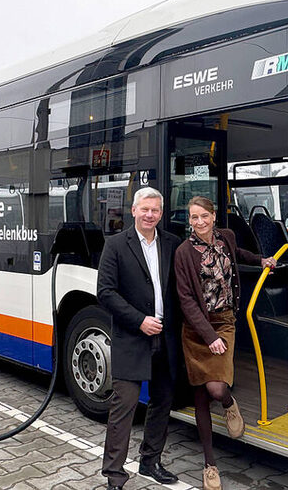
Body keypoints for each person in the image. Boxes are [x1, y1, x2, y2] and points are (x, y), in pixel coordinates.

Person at [174, 196, 276, 490]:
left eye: (204, 216)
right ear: (190, 221)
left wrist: (261, 260)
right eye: (194, 218)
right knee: (201, 396)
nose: (199, 222)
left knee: (217, 388)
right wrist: (208, 337)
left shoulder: (227, 238)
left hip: (225, 321)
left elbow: (239, 254)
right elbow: (186, 300)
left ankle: (230, 404)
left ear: (213, 216)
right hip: (197, 330)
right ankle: (210, 465)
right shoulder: (184, 252)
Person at [97, 187, 182, 490]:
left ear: (161, 213)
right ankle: (114, 475)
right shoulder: (116, 245)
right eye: (144, 209)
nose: (150, 215)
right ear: (133, 210)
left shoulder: (172, 243)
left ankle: (150, 461)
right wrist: (139, 321)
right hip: (133, 337)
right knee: (125, 407)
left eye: (155, 210)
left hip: (166, 337)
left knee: (162, 401)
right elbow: (105, 292)